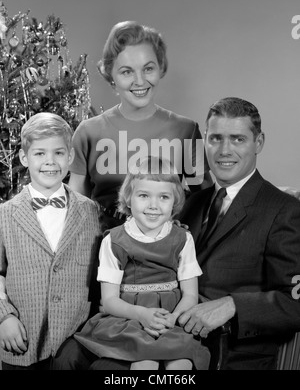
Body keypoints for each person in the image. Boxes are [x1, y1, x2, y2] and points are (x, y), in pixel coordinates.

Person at [177, 97, 300, 370]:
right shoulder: (189, 203)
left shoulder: (285, 210)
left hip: (234, 357)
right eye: (216, 138)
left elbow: (295, 302)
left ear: (259, 142)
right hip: (174, 346)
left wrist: (232, 305)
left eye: (237, 139)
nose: (224, 150)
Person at [55, 156, 210, 370]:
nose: (153, 205)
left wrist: (173, 319)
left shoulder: (183, 238)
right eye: (144, 195)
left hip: (170, 319)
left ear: (175, 201)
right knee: (145, 362)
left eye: (164, 197)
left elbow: (190, 294)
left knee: (181, 363)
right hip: (129, 319)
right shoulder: (115, 240)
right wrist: (142, 315)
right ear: (129, 198)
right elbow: (109, 301)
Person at [68, 20, 212, 234]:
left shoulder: (185, 131)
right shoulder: (89, 132)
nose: (140, 81)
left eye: (148, 69)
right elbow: (74, 207)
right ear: (111, 75)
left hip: (166, 256)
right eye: (127, 72)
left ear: (161, 67)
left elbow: (206, 203)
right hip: (103, 251)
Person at [0, 113, 101, 369]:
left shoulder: (90, 211)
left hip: (76, 341)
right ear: (24, 158)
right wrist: (4, 317)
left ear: (70, 157)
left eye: (58, 153)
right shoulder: (4, 215)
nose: (50, 162)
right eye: (39, 154)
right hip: (22, 341)